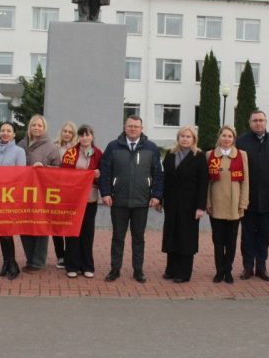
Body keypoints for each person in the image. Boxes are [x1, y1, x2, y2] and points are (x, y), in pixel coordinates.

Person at [99, 115, 163, 283]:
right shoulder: (113, 147)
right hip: (118, 201)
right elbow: (105, 171)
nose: (133, 129)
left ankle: (138, 270)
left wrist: (156, 195)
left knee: (138, 238)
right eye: (130, 126)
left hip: (142, 201)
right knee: (118, 237)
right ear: (124, 127)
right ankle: (115, 269)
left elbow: (158, 173)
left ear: (141, 128)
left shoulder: (151, 148)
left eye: (136, 126)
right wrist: (105, 193)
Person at [235, 110, 269, 281]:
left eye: (261, 120)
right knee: (248, 233)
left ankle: (262, 267)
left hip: (268, 197)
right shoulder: (241, 141)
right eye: (255, 120)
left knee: (264, 233)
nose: (258, 123)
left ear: (266, 122)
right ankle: (248, 267)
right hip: (246, 198)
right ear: (250, 122)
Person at [161, 126, 208, 283]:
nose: (185, 139)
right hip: (172, 203)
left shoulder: (199, 156)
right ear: (178, 138)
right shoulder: (170, 154)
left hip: (190, 205)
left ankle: (184, 272)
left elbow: (203, 183)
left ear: (194, 139)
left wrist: (200, 207)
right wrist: (160, 199)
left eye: (188, 136)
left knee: (186, 238)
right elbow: (164, 179)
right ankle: (171, 269)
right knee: (172, 235)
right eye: (182, 136)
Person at [205, 125, 249, 284]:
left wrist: (243, 203)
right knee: (217, 241)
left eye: (230, 136)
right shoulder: (210, 155)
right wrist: (207, 202)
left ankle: (228, 270)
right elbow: (207, 183)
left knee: (231, 241)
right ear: (219, 137)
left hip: (234, 205)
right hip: (216, 204)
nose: (226, 139)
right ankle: (219, 270)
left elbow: (245, 182)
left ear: (234, 138)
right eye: (224, 135)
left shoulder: (241, 155)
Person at [18, 114, 61, 271]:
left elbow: (59, 170)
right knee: (24, 225)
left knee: (41, 226)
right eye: (34, 125)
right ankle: (29, 258)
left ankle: (38, 261)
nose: (36, 128)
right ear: (29, 127)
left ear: (44, 128)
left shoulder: (51, 147)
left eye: (39, 126)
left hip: (42, 194)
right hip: (23, 193)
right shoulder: (22, 144)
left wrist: (44, 168)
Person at [60, 124, 101, 278]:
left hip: (90, 199)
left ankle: (87, 265)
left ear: (92, 136)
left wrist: (98, 174)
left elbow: (103, 173)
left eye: (87, 135)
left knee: (87, 232)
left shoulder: (98, 154)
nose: (84, 138)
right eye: (82, 135)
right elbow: (64, 174)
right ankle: (72, 265)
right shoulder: (71, 153)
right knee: (72, 231)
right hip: (73, 199)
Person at [0, 122, 26, 279]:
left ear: (14, 134)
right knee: (1, 232)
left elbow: (22, 174)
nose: (5, 133)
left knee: (7, 232)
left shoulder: (19, 151)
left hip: (10, 197)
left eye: (8, 131)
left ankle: (13, 265)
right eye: (3, 130)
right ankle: (6, 263)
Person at [53, 121, 78, 269]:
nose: (67, 134)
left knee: (69, 224)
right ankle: (60, 256)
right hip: (55, 192)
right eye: (65, 131)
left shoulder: (77, 150)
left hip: (70, 193)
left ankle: (69, 255)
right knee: (55, 226)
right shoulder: (54, 147)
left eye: (70, 132)